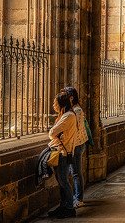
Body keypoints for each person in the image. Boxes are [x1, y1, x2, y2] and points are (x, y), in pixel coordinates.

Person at [47, 90, 77, 219]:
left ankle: (69, 208)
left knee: (64, 181)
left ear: (61, 103)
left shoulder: (68, 116)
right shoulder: (65, 115)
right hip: (62, 152)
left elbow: (52, 133)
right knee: (61, 181)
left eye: (55, 102)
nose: (53, 104)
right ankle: (63, 206)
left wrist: (53, 133)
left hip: (63, 153)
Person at [63, 86, 88, 209]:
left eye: (65, 96)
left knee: (76, 173)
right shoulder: (74, 109)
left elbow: (74, 129)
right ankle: (76, 197)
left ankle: (79, 198)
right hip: (76, 144)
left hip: (77, 145)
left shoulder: (76, 110)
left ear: (71, 97)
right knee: (74, 172)